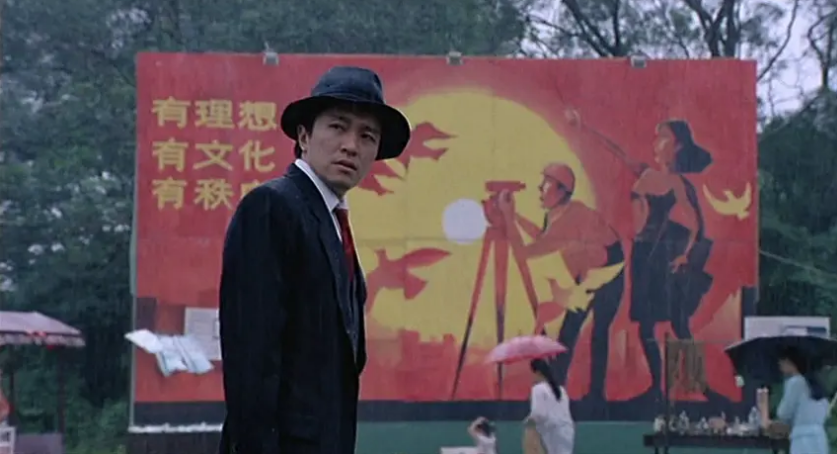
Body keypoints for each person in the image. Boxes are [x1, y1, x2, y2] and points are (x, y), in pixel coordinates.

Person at [218, 66, 411, 454]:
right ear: (304, 136)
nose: (351, 145)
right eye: (338, 127)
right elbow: (252, 360)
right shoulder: (272, 207)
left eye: (367, 136)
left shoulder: (334, 223)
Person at [566, 112, 715, 403]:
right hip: (642, 253)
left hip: (662, 255)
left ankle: (697, 384)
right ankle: (657, 387)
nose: (656, 143)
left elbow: (697, 224)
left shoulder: (677, 183)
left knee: (677, 323)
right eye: (657, 137)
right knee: (645, 324)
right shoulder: (646, 174)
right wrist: (584, 126)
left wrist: (685, 256)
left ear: (678, 146)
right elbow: (617, 151)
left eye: (664, 138)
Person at [489, 163, 624, 411]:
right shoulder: (559, 214)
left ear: (561, 191)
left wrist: (508, 217)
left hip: (609, 272)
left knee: (595, 331)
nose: (540, 188)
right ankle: (557, 390)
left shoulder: (571, 218)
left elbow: (525, 253)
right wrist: (515, 216)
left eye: (546, 184)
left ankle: (592, 395)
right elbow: (544, 238)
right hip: (590, 271)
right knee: (569, 332)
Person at [757, 346, 830, 454]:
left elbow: (783, 413)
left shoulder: (795, 382)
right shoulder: (817, 384)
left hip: (802, 440)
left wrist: (763, 405)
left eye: (782, 361)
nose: (780, 365)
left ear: (791, 362)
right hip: (819, 438)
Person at [525, 359, 574, 454]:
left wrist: (529, 420)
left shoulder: (538, 389)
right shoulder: (561, 389)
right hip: (567, 429)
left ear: (537, 373)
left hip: (551, 430)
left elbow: (539, 413)